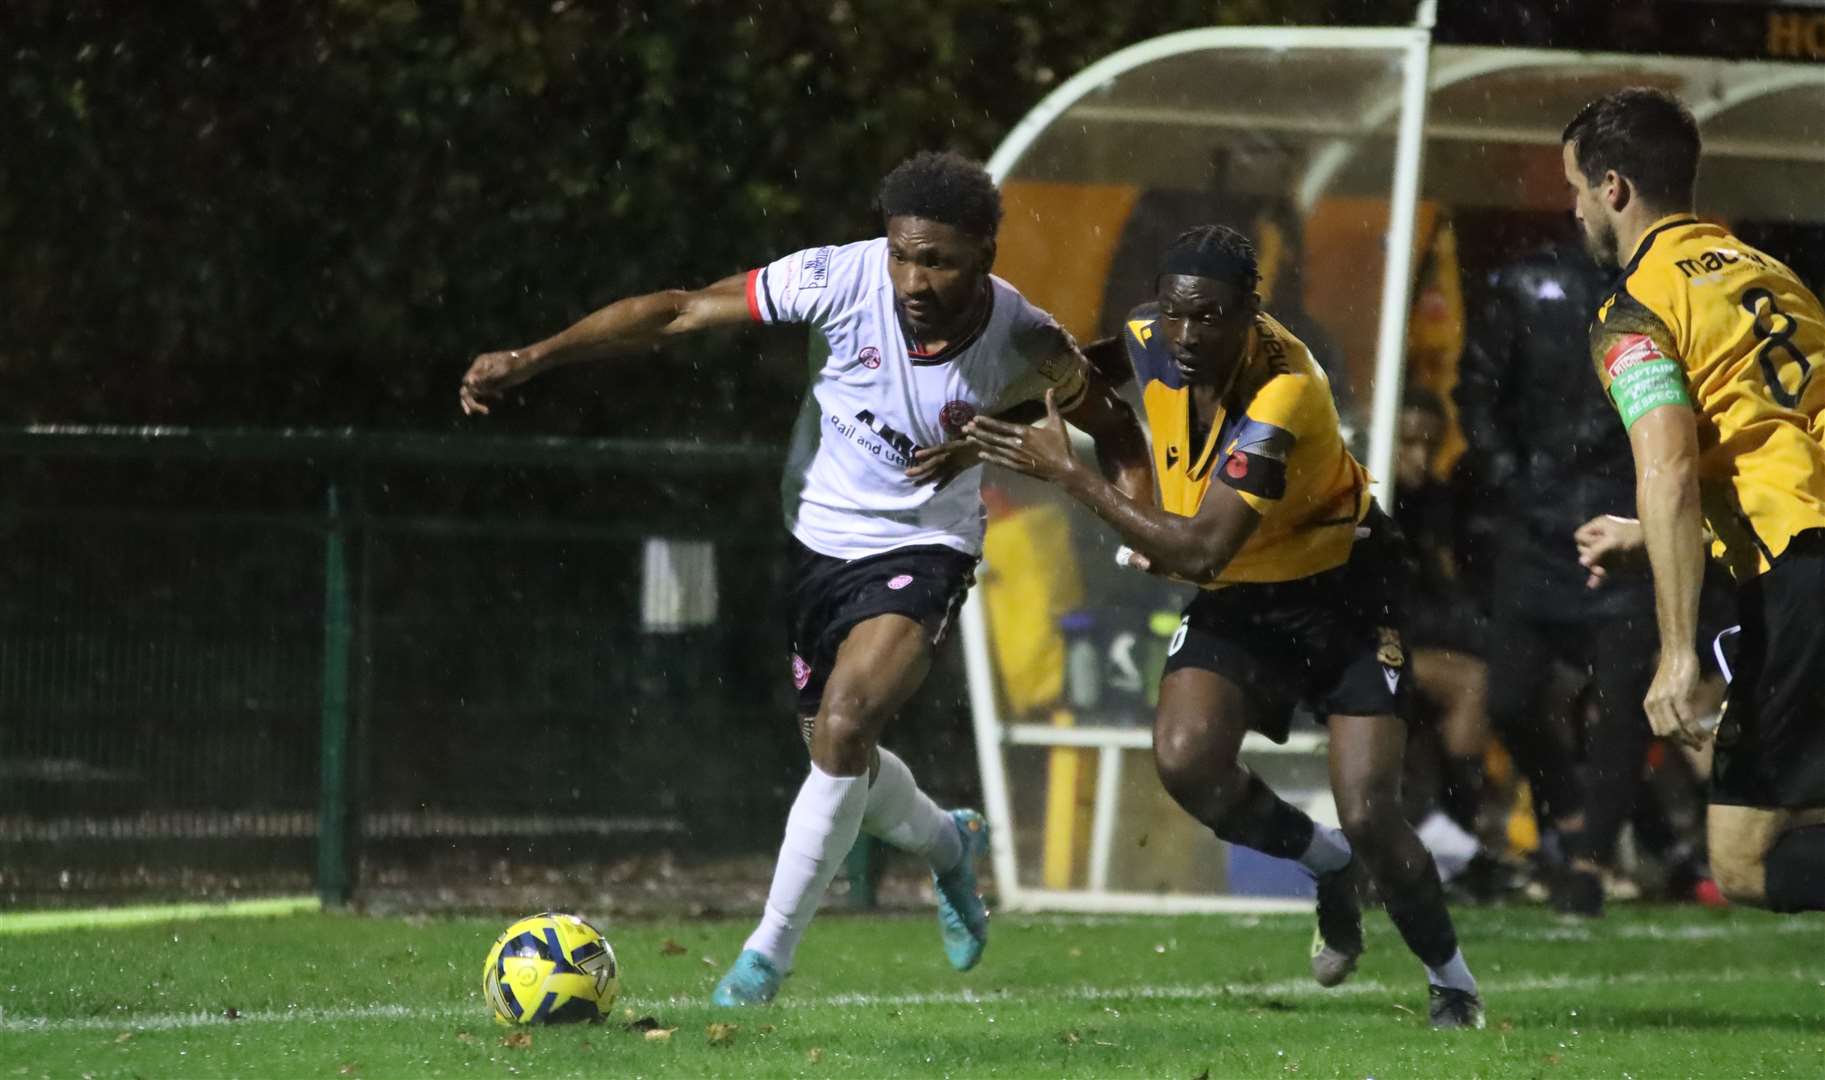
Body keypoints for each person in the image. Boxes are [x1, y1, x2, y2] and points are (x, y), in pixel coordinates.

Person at [459, 151, 1154, 1004]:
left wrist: (1134, 525)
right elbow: (677, 311)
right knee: (840, 753)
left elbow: (1114, 429)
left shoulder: (1028, 341)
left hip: (925, 547)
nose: (912, 276)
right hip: (815, 542)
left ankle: (762, 962)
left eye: (936, 259)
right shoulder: (835, 277)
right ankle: (947, 843)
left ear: (983, 255)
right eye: (902, 252)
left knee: (847, 721)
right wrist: (534, 357)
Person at [965, 225, 1485, 1029]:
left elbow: (1203, 551)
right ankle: (1325, 865)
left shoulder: (1286, 394)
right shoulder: (1154, 334)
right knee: (1184, 760)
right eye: (1175, 314)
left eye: (1208, 318)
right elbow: (1092, 367)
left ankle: (1452, 981)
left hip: (1341, 596)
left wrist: (1069, 473)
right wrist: (973, 419)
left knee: (1371, 812)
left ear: (1251, 314)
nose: (1184, 335)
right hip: (1247, 595)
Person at [1565, 88, 1825, 913]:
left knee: (1744, 861)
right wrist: (1648, 534)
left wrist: (1677, 653)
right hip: (1804, 547)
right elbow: (1775, 441)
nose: (1573, 210)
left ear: (1613, 189)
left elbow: (1670, 465)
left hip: (1799, 578)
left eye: (1574, 188)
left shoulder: (1631, 309)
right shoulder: (1772, 276)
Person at [1454, 236, 1662, 915]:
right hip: (1536, 523)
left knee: (1621, 705)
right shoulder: (1523, 282)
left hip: (1628, 518)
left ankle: (1587, 859)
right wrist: (1516, 482)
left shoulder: (1664, 285)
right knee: (1509, 697)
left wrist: (1648, 501)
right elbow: (1476, 390)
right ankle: (1568, 813)